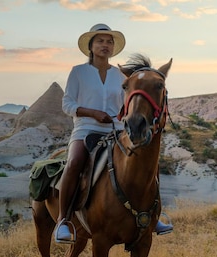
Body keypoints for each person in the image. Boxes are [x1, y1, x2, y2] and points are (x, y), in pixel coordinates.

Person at [54, 23, 173, 244]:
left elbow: (128, 102)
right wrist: (92, 113)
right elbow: (67, 104)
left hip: (117, 130)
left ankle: (153, 215)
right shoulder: (78, 72)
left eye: (109, 41)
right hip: (86, 129)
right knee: (74, 162)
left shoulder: (121, 76)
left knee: (148, 163)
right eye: (100, 41)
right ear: (90, 46)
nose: (105, 45)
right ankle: (64, 220)